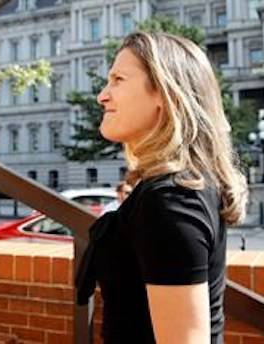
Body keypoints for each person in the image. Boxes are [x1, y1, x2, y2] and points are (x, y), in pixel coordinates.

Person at [75, 32, 248, 343]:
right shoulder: (179, 187)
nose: (102, 95)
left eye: (118, 80)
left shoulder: (171, 200)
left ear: (165, 93)